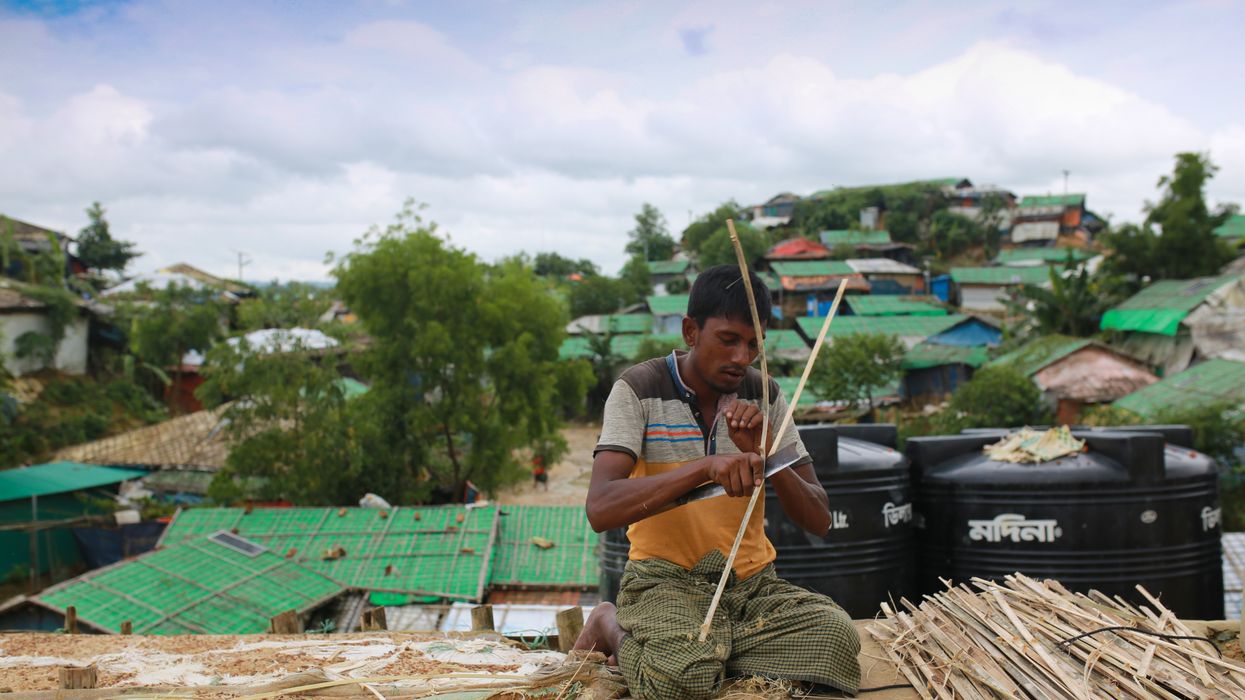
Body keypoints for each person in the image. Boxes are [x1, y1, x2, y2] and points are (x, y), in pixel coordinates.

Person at [573, 265, 861, 699]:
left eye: (753, 345)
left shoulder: (767, 396)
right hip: (662, 581)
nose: (741, 358)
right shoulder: (638, 388)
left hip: (750, 585)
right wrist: (704, 468)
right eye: (728, 340)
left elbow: (819, 519)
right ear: (691, 331)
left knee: (836, 638)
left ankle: (706, 653)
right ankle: (610, 625)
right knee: (680, 683)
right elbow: (601, 508)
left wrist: (768, 457)